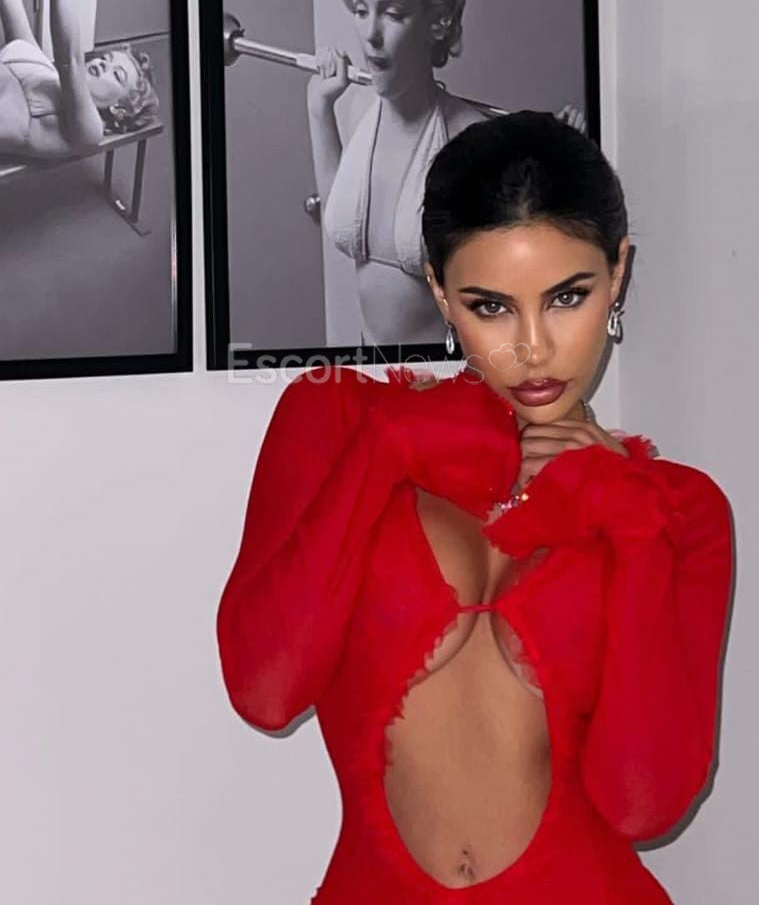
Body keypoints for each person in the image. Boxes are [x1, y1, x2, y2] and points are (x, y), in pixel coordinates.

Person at [216, 111, 733, 903]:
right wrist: (388, 444)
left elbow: (644, 805)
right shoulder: (337, 423)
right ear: (438, 290)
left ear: (618, 272)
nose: (532, 347)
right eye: (490, 305)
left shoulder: (677, 510)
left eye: (566, 296)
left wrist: (629, 521)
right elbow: (265, 691)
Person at [308, 0, 585, 345]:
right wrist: (318, 109)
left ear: (436, 20)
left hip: (441, 371)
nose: (370, 34)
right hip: (366, 361)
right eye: (360, 9)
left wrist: (563, 164)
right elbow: (335, 219)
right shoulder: (356, 109)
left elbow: (525, 268)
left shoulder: (470, 137)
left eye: (392, 13)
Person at [0, 0, 157, 160]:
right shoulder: (42, 68)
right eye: (107, 59)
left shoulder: (88, 131)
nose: (103, 64)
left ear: (118, 109)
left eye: (117, 75)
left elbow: (70, 61)